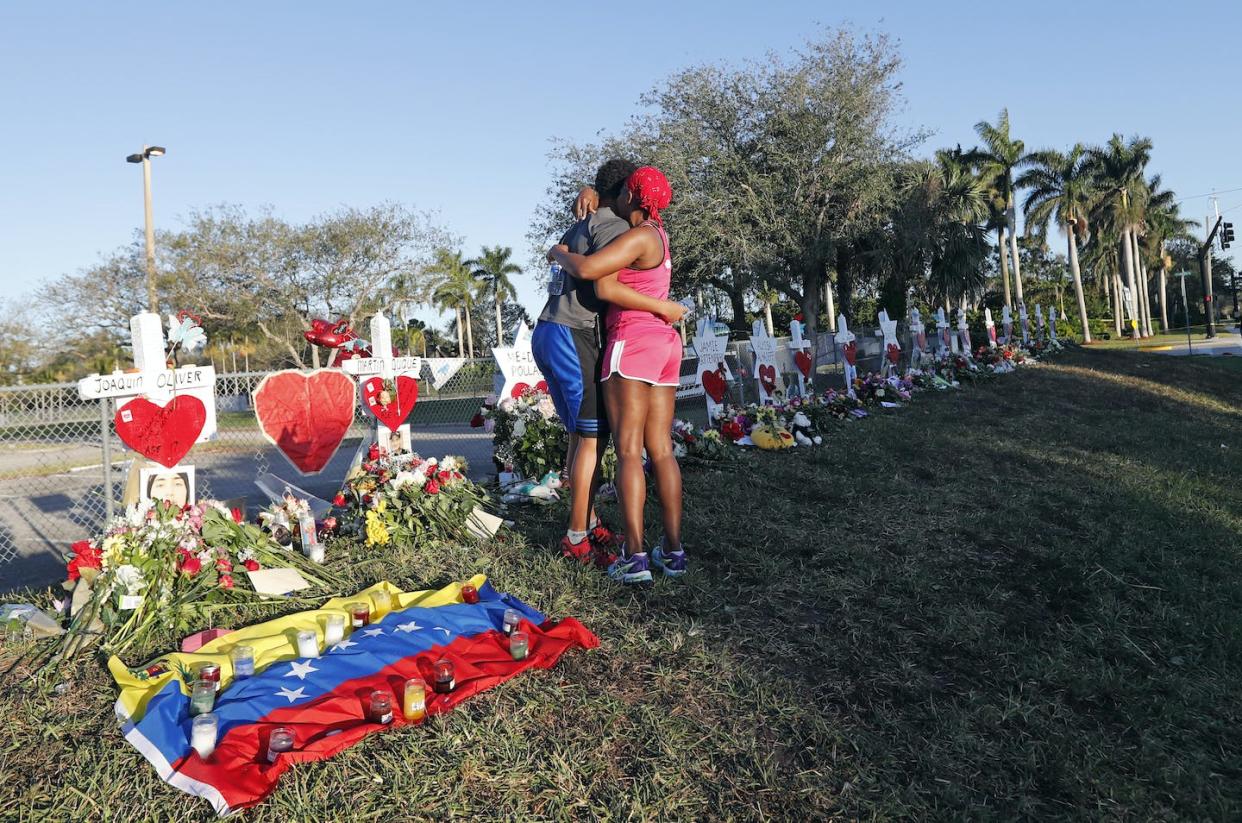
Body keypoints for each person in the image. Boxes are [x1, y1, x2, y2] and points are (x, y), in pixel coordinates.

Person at [532, 159, 685, 567]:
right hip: (592, 335)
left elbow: (594, 274)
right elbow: (599, 274)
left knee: (599, 441)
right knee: (606, 440)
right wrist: (666, 307)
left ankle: (599, 534)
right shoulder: (634, 230)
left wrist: (556, 251)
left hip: (577, 334)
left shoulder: (607, 226)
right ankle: (596, 537)